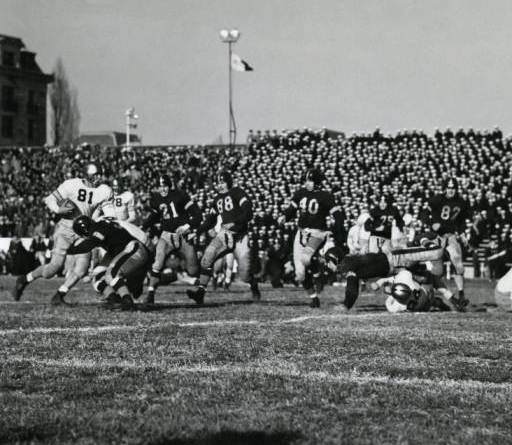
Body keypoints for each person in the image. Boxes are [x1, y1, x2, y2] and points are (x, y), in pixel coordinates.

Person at [12, 163, 114, 305]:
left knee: (82, 268)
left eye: (101, 174)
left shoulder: (104, 190)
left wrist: (110, 221)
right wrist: (58, 210)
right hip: (66, 228)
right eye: (96, 174)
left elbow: (109, 213)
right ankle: (24, 279)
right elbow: (49, 199)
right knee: (52, 270)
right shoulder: (71, 184)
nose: (99, 177)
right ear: (87, 174)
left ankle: (60, 295)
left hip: (84, 232)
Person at [187, 170, 261, 304]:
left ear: (228, 182)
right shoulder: (217, 199)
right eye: (218, 183)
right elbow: (210, 220)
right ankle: (200, 293)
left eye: (222, 182)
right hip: (223, 235)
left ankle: (253, 284)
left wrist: (235, 222)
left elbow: (249, 212)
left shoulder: (237, 192)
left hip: (240, 236)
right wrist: (197, 232)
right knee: (207, 257)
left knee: (244, 274)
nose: (220, 186)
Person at [278, 168, 343, 308]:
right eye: (305, 180)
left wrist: (332, 231)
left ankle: (317, 274)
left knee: (306, 258)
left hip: (317, 233)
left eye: (310, 181)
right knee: (300, 273)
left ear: (318, 182)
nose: (306, 183)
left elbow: (339, 216)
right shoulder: (300, 193)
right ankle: (314, 298)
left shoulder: (325, 196)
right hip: (300, 233)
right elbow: (292, 209)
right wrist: (285, 215)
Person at [68, 215, 153, 310]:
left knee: (112, 273)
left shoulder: (99, 226)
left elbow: (90, 244)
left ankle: (127, 301)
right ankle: (114, 300)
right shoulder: (101, 226)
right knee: (97, 276)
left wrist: (69, 249)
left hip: (133, 249)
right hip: (118, 253)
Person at [141, 174, 202, 305]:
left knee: (193, 270)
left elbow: (197, 215)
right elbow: (156, 215)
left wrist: (187, 226)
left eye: (165, 186)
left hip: (183, 236)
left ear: (170, 185)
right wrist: (144, 225)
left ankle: (200, 291)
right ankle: (150, 294)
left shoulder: (180, 196)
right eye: (160, 186)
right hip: (166, 236)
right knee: (158, 263)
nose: (162, 189)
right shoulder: (155, 199)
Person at [427, 178, 471, 309]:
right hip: (437, 237)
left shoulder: (461, 202)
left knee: (458, 263)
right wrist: (431, 223)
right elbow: (424, 213)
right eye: (449, 187)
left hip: (451, 236)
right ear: (445, 188)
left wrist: (462, 233)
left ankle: (461, 295)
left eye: (453, 188)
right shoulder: (436, 199)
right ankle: (445, 298)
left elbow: (462, 222)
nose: (451, 190)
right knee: (437, 272)